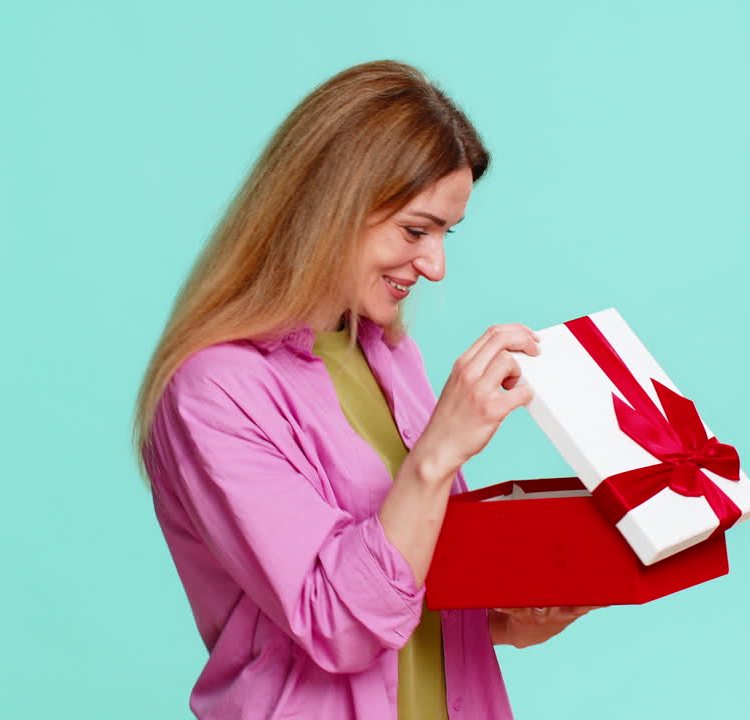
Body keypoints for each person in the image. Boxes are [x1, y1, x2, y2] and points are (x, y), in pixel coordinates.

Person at [133, 60, 599, 720]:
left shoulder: (388, 353)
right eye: (415, 230)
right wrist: (437, 455)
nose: (435, 265)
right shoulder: (213, 392)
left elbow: (412, 590)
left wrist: (514, 619)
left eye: (445, 234)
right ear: (329, 207)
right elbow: (338, 624)